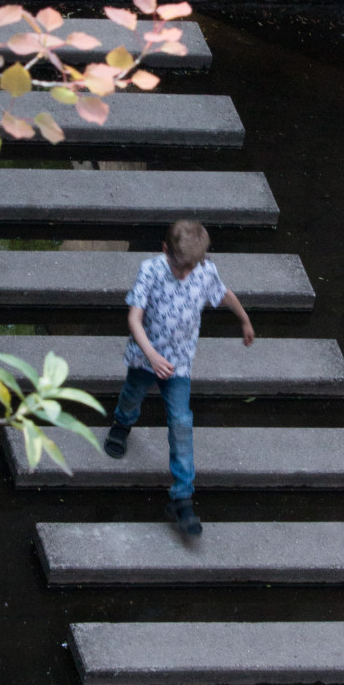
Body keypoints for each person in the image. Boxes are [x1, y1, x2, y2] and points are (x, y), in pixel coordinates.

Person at [104, 218, 255, 535]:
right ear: (165, 250)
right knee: (132, 395)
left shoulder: (203, 270)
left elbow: (222, 293)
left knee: (181, 422)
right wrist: (151, 355)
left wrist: (243, 319)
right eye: (179, 266)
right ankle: (122, 424)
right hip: (146, 358)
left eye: (190, 268)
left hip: (179, 365)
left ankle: (182, 497)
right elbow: (134, 318)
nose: (184, 274)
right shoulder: (152, 269)